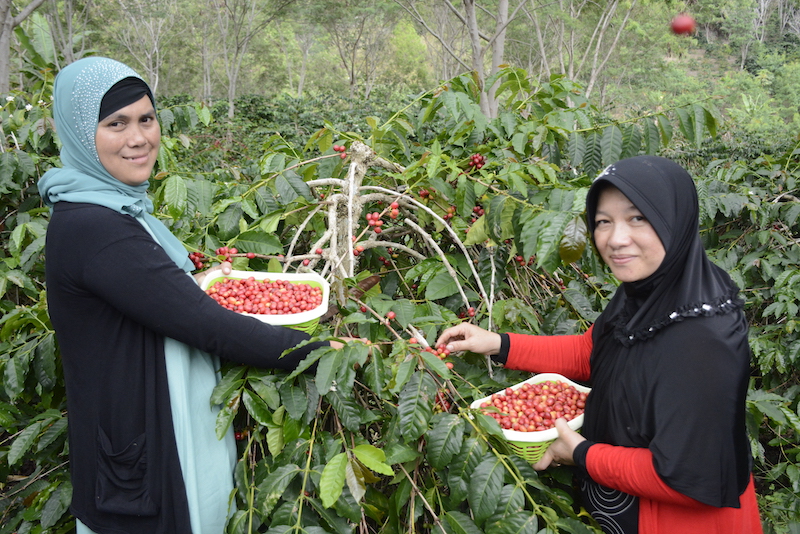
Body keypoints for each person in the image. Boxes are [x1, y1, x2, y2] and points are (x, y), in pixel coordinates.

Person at [38, 57, 354, 534]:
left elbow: (152, 293)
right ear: (82, 133)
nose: (139, 137)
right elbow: (208, 326)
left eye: (146, 118)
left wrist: (196, 284)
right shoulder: (96, 227)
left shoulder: (108, 205)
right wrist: (320, 352)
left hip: (131, 442)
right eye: (116, 124)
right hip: (140, 459)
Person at [436, 156, 763, 534]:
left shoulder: (704, 340)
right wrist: (496, 343)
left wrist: (578, 453)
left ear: (676, 219)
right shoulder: (647, 294)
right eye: (603, 221)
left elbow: (681, 476)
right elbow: (592, 352)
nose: (615, 238)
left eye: (637, 217)